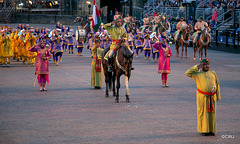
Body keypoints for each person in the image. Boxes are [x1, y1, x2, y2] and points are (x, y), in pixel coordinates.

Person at [185, 58, 221, 136]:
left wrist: (217, 96)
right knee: (203, 114)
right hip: (203, 97)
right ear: (202, 66)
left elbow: (217, 84)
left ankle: (211, 130)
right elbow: (187, 73)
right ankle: (204, 130)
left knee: (212, 114)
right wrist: (197, 66)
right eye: (205, 65)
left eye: (208, 64)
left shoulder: (213, 73)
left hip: (212, 97)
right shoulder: (197, 74)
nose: (207, 66)